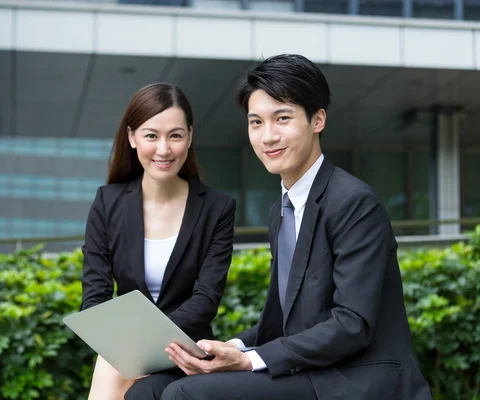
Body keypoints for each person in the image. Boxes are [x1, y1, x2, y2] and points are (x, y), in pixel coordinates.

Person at [125, 55, 433, 400]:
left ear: (317, 119)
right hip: (308, 371)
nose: (267, 136)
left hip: (353, 378)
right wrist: (227, 348)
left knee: (186, 394)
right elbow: (278, 322)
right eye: (256, 122)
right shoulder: (280, 211)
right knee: (147, 391)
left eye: (282, 118)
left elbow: (352, 324)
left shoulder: (353, 202)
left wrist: (247, 360)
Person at [80, 82, 236, 400]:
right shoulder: (107, 203)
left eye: (175, 135)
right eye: (151, 135)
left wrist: (147, 342)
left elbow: (205, 300)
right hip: (122, 350)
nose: (163, 149)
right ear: (132, 137)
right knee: (115, 367)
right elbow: (94, 298)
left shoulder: (217, 208)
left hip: (185, 353)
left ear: (190, 137)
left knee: (115, 372)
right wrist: (128, 346)